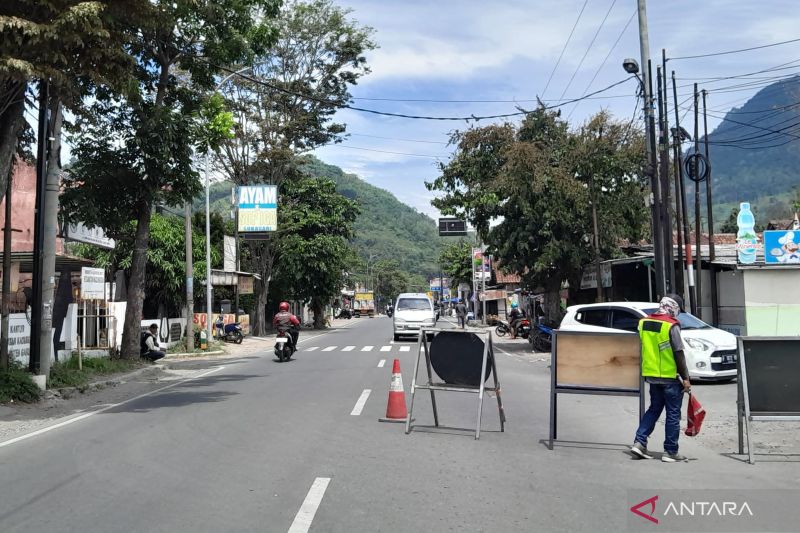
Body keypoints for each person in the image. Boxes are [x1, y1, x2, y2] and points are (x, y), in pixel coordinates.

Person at [631, 294, 691, 463]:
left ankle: (639, 442)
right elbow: (678, 353)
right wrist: (686, 378)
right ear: (674, 307)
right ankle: (670, 451)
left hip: (652, 375)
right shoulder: (671, 325)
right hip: (670, 377)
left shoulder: (644, 322)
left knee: (654, 409)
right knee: (673, 414)